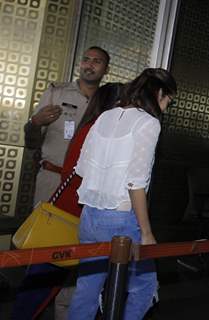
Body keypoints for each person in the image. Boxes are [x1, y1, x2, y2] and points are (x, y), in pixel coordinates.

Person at [68, 68, 177, 320]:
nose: (167, 105)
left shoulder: (104, 116)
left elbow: (82, 168)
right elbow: (135, 183)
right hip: (121, 218)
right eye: (168, 99)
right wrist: (147, 233)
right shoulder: (148, 123)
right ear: (159, 92)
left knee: (87, 289)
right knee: (144, 288)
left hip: (89, 217)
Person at [11, 83, 124, 320]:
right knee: (44, 280)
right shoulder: (97, 131)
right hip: (72, 211)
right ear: (113, 105)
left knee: (52, 281)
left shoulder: (92, 128)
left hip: (75, 209)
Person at [25, 46, 110, 206]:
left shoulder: (108, 103)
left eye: (97, 61)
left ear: (106, 69)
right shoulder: (56, 93)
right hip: (52, 179)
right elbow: (31, 142)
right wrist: (35, 122)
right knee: (45, 229)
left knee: (77, 231)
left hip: (87, 186)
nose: (89, 65)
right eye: (86, 60)